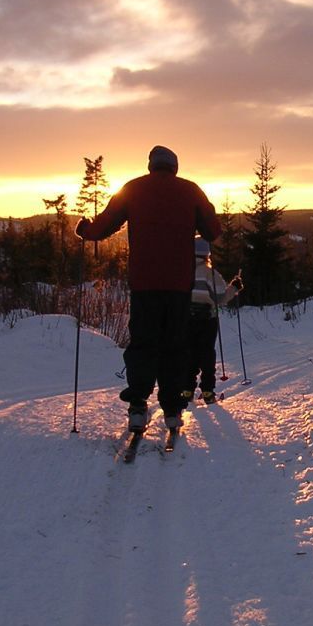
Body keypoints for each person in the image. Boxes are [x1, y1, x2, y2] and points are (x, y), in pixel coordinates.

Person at [75, 145, 221, 432]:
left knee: (143, 344)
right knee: (175, 346)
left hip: (144, 284)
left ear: (151, 165)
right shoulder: (191, 191)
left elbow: (103, 226)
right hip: (179, 286)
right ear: (174, 167)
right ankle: (172, 409)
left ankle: (138, 405)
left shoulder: (133, 188)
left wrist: (85, 229)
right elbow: (213, 231)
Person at [182, 237, 241, 405]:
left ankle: (187, 390)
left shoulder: (182, 270)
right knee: (207, 353)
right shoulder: (210, 273)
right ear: (207, 254)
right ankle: (208, 391)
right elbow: (221, 297)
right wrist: (235, 287)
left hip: (186, 319)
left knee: (189, 353)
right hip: (207, 319)